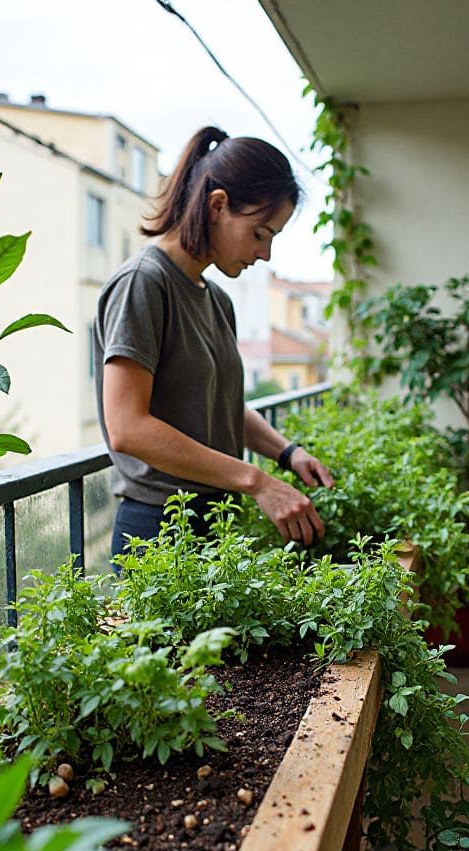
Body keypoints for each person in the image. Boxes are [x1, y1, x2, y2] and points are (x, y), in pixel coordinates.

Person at [93, 125, 334, 561]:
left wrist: (286, 453)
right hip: (161, 529)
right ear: (218, 205)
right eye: (261, 233)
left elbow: (216, 404)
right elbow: (128, 428)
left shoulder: (215, 299)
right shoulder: (143, 283)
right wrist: (256, 481)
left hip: (216, 518)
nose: (265, 255)